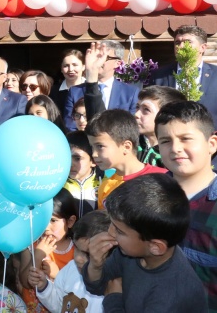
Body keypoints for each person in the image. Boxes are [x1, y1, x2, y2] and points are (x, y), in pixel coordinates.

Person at [82, 174, 208, 312]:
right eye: (111, 223)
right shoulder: (130, 252)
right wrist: (95, 265)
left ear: (155, 247)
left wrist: (113, 299)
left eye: (119, 230)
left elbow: (109, 289)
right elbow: (98, 286)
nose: (110, 232)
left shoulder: (171, 296)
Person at [155, 101, 217, 309]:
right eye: (165, 141)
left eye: (185, 139)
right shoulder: (145, 196)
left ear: (212, 144)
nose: (175, 148)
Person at [29, 211, 109, 313]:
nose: (78, 258)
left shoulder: (111, 288)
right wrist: (44, 286)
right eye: (77, 248)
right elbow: (59, 304)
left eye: (87, 254)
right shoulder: (71, 268)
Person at [85, 109, 167, 209]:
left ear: (126, 147)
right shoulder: (105, 187)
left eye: (100, 146)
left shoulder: (163, 178)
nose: (94, 154)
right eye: (92, 147)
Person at [20, 189, 77, 313]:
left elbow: (78, 289)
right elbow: (25, 282)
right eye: (42, 219)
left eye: (53, 220)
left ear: (70, 221)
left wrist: (58, 275)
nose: (46, 227)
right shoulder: (31, 244)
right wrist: (37, 255)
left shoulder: (77, 250)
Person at [149, 25, 217, 129]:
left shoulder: (215, 74)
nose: (180, 46)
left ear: (202, 47)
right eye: (177, 42)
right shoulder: (159, 76)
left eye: (188, 42)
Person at [64, 41, 139, 132]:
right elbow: (70, 125)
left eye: (104, 57)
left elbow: (132, 127)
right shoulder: (75, 91)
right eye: (96, 57)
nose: (98, 61)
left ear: (118, 63)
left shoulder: (131, 93)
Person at [134, 86, 186, 168]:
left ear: (166, 115)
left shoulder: (174, 152)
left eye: (146, 109)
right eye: (137, 107)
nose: (136, 114)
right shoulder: (130, 144)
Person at [63, 131, 99, 218]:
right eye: (67, 157)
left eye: (77, 158)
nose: (70, 164)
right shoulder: (57, 185)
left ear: (93, 161)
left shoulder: (106, 184)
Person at [49, 49, 85, 114]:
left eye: (75, 65)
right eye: (66, 66)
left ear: (83, 67)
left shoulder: (92, 89)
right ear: (61, 69)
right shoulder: (53, 91)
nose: (70, 69)